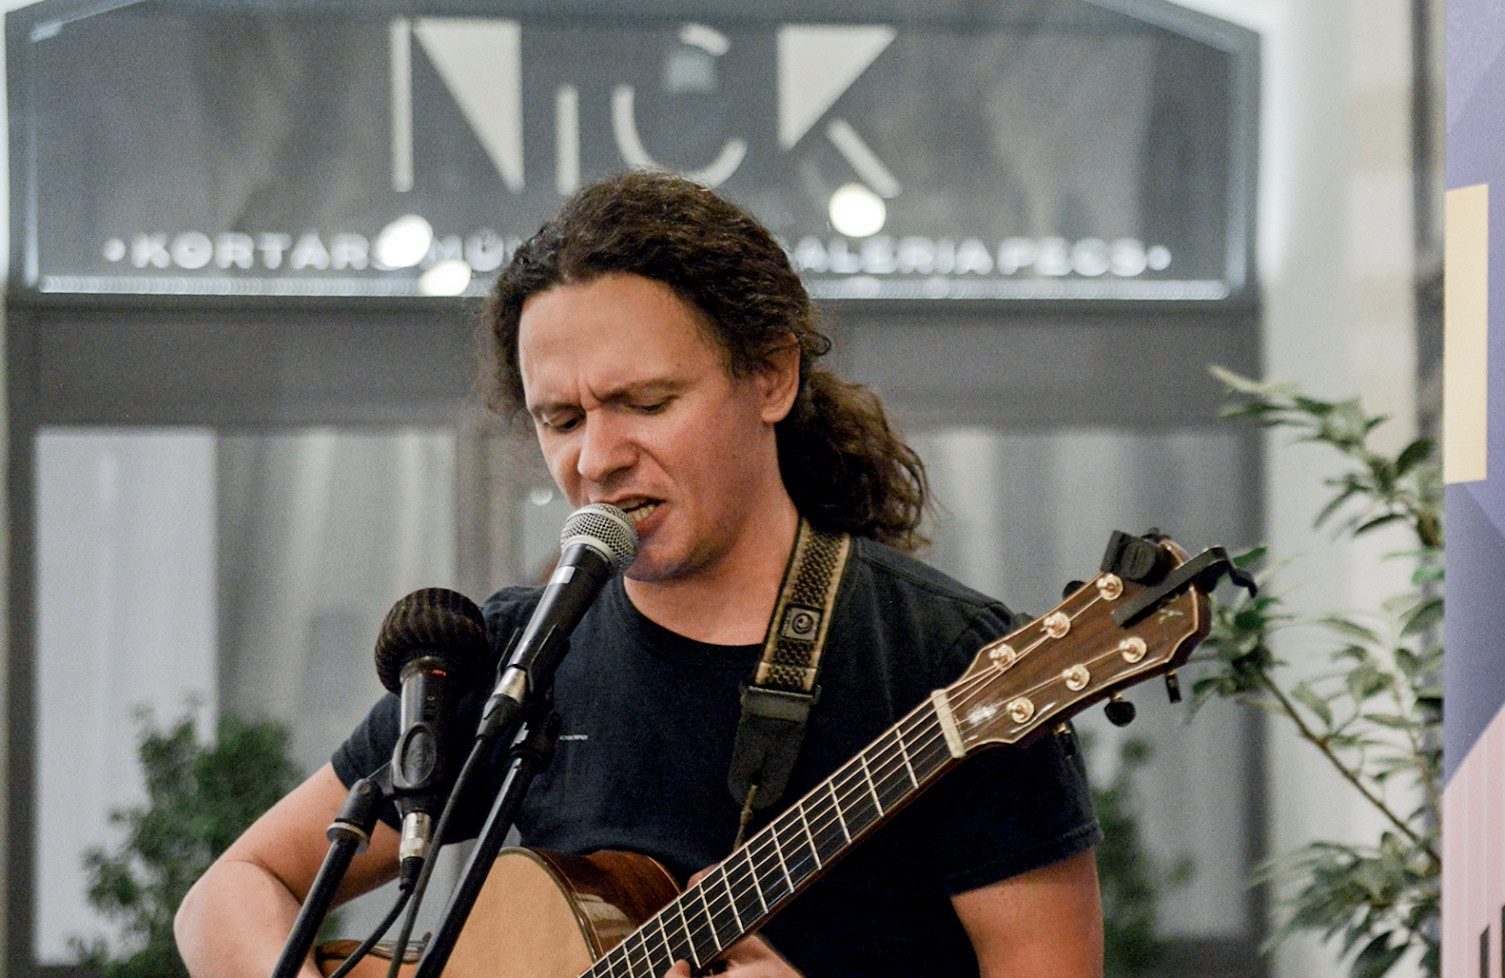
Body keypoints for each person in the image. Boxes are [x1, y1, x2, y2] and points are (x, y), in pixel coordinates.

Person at [175, 170, 1104, 978]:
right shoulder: (512, 660)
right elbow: (230, 892)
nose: (596, 459)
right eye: (561, 420)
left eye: (646, 403)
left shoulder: (945, 661)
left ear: (771, 376)